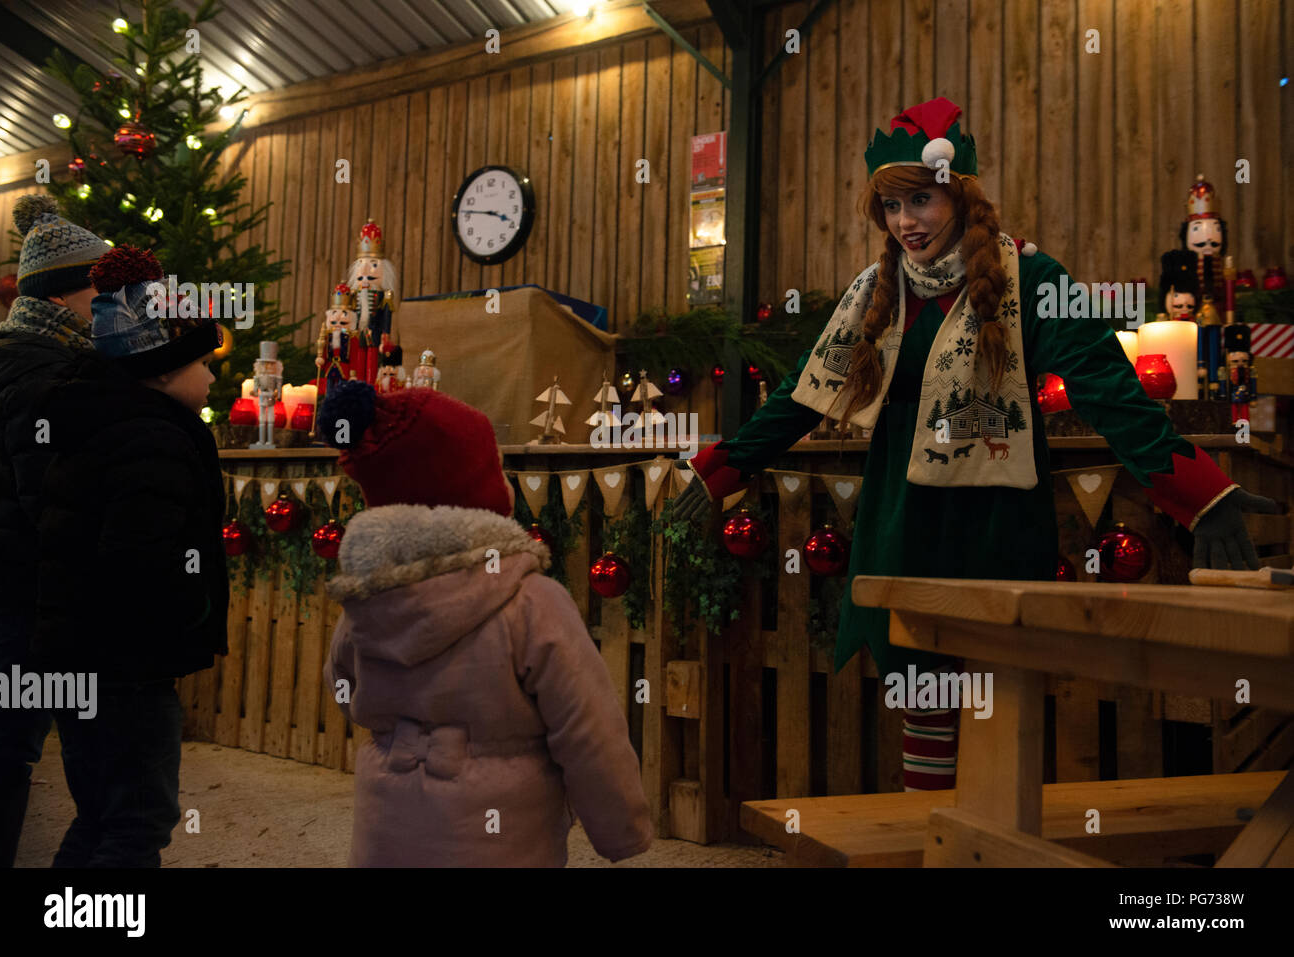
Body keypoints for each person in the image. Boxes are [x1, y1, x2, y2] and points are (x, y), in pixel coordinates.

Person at [673, 97, 1278, 792]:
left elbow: (1109, 391)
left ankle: (990, 840)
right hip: (904, 521)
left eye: (921, 200)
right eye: (892, 208)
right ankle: (936, 836)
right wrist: (721, 468)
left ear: (959, 193)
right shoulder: (875, 291)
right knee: (923, 705)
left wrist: (1203, 495)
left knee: (999, 706)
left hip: (993, 519)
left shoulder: (1035, 279)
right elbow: (800, 399)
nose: (907, 222)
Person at [317, 380, 652, 866]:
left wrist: (397, 732)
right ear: (482, 483)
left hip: (387, 834)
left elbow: (342, 689)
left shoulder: (368, 598)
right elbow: (587, 727)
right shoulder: (531, 599)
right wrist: (620, 830)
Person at [31, 244, 228, 866]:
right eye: (204, 362)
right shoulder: (154, 438)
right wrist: (189, 613)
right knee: (138, 821)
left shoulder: (100, 419)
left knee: (100, 814)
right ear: (164, 369)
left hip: (83, 659)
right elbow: (139, 562)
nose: (215, 377)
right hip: (128, 670)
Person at [0, 194, 111, 866]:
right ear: (76, 295)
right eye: (105, 294)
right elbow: (56, 507)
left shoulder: (13, 356)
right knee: (8, 757)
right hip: (23, 607)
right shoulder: (50, 375)